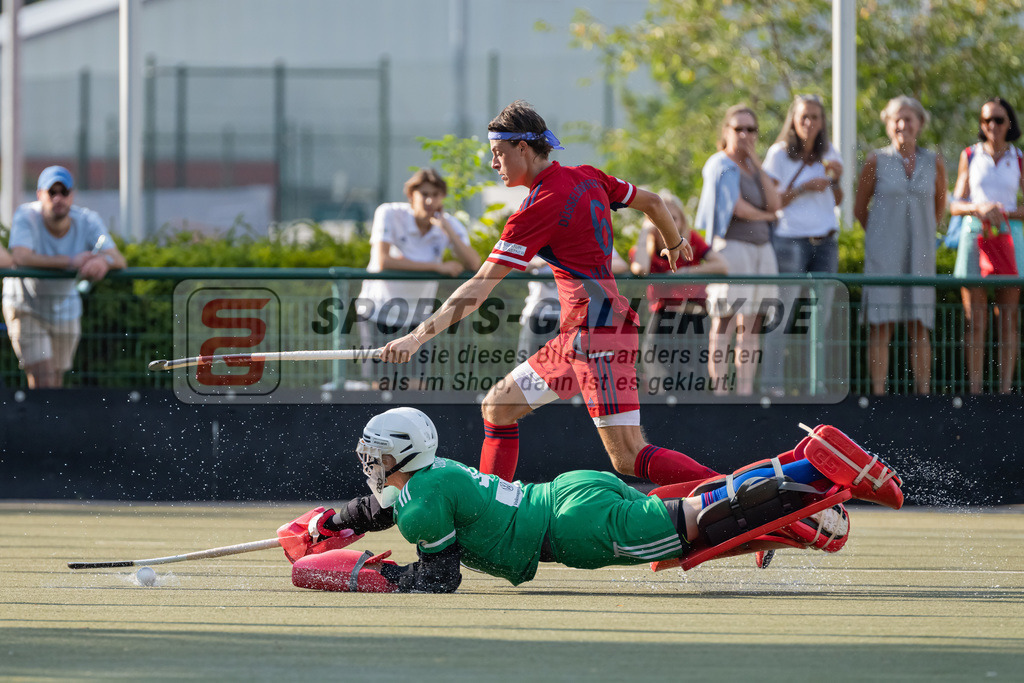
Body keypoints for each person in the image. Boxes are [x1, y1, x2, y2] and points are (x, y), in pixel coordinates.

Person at [380, 100, 715, 488]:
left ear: (522, 147)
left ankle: (744, 497)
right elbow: (653, 202)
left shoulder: (537, 206)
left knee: (628, 456)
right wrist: (674, 242)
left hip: (596, 334)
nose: (494, 163)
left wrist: (418, 336)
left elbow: (479, 287)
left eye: (498, 153)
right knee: (498, 407)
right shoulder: (588, 176)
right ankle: (489, 512)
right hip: (581, 335)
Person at [290, 407, 902, 593]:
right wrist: (330, 525)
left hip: (571, 529)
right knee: (682, 522)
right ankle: (805, 515)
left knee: (693, 525)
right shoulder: (431, 475)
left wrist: (368, 576)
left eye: (375, 454)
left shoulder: (421, 504)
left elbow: (442, 577)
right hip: (568, 494)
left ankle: (812, 469)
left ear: (397, 456)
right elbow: (377, 510)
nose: (369, 464)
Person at [854, 96, 947, 395]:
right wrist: (883, 238)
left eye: (908, 118)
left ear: (920, 123)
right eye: (896, 119)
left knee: (919, 326)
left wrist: (921, 235)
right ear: (887, 123)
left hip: (920, 257)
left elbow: (939, 207)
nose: (902, 125)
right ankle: (879, 396)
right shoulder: (875, 160)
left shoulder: (934, 162)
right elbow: (859, 208)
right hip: (883, 258)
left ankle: (923, 395)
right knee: (882, 325)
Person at [2, 166, 125, 388]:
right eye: (52, 192)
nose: (58, 198)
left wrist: (101, 261)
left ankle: (40, 422)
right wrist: (70, 261)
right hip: (25, 307)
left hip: (65, 310)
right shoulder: (26, 215)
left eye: (64, 192)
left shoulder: (88, 219)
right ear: (40, 195)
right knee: (45, 379)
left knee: (54, 382)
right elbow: (20, 256)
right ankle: (42, 422)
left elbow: (118, 259)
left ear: (72, 195)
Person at [355, 168, 480, 383]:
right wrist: (436, 266)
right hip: (377, 314)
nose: (430, 200)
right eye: (424, 194)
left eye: (436, 194)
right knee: (379, 386)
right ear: (411, 195)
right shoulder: (389, 213)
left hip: (418, 321)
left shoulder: (447, 223)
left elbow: (474, 263)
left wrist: (447, 230)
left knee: (415, 385)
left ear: (443, 198)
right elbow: (383, 261)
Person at [695, 105, 782, 396]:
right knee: (725, 320)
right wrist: (768, 217)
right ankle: (720, 390)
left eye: (751, 129)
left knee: (753, 323)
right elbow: (736, 208)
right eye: (738, 129)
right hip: (731, 248)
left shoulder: (755, 168)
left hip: (761, 250)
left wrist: (756, 162)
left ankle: (745, 391)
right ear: (726, 131)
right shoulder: (720, 164)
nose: (744, 135)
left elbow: (775, 203)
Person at [760, 95, 843, 397]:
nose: (809, 123)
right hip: (789, 239)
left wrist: (836, 179)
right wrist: (804, 187)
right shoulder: (779, 154)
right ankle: (773, 384)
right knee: (782, 313)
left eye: (816, 117)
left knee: (822, 317)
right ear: (793, 120)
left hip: (826, 240)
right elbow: (774, 202)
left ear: (823, 121)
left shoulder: (831, 152)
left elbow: (837, 200)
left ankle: (816, 384)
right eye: (804, 116)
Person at [950, 98, 1024, 394]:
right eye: (986, 121)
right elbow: (955, 205)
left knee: (1007, 318)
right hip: (974, 236)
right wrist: (979, 208)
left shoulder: (1018, 158)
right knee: (975, 319)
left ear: (1009, 123)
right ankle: (976, 390)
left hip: (1009, 237)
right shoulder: (970, 155)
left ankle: (1005, 390)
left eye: (998, 120)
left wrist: (1001, 211)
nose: (992, 126)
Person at [629, 190, 728, 390]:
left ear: (682, 220)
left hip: (695, 318)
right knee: (661, 379)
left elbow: (722, 266)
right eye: (659, 219)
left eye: (672, 218)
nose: (667, 224)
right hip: (663, 319)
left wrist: (687, 272)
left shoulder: (692, 240)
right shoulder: (645, 249)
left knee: (694, 380)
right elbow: (640, 269)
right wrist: (646, 232)